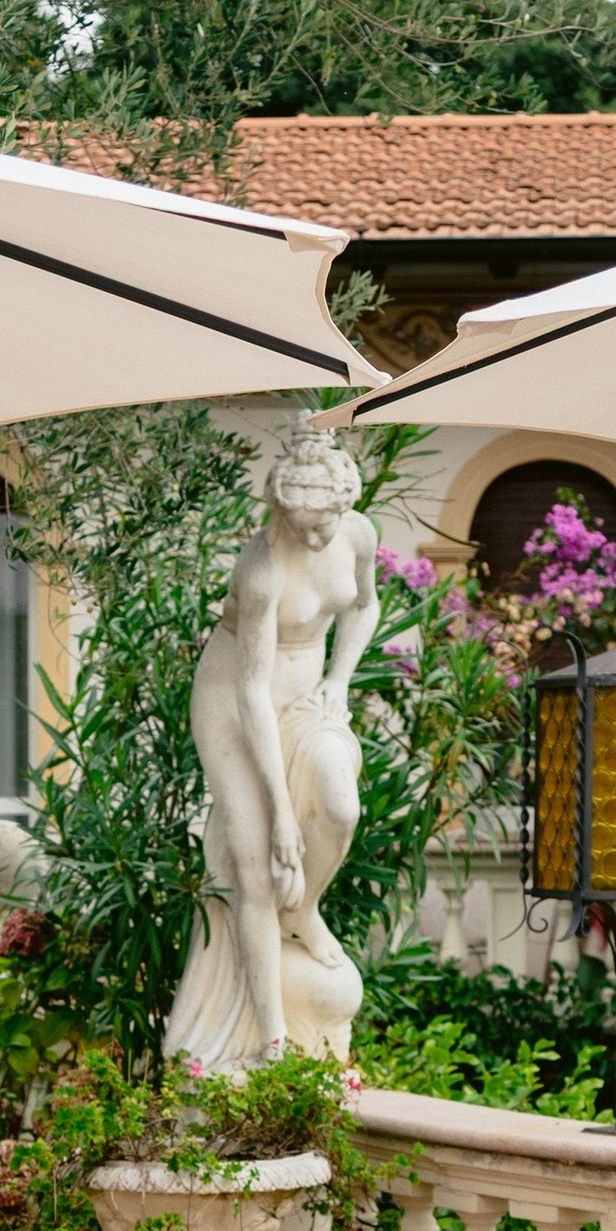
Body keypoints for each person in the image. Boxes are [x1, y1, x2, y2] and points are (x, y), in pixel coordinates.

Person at [165, 431, 378, 1069]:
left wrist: (338, 682)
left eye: (326, 526)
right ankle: (273, 1035)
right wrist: (282, 815)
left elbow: (363, 609)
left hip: (310, 690)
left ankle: (305, 910)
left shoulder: (358, 534)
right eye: (303, 527)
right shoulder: (261, 571)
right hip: (235, 702)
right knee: (256, 860)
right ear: (280, 511)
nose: (317, 540)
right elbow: (252, 691)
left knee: (341, 807)